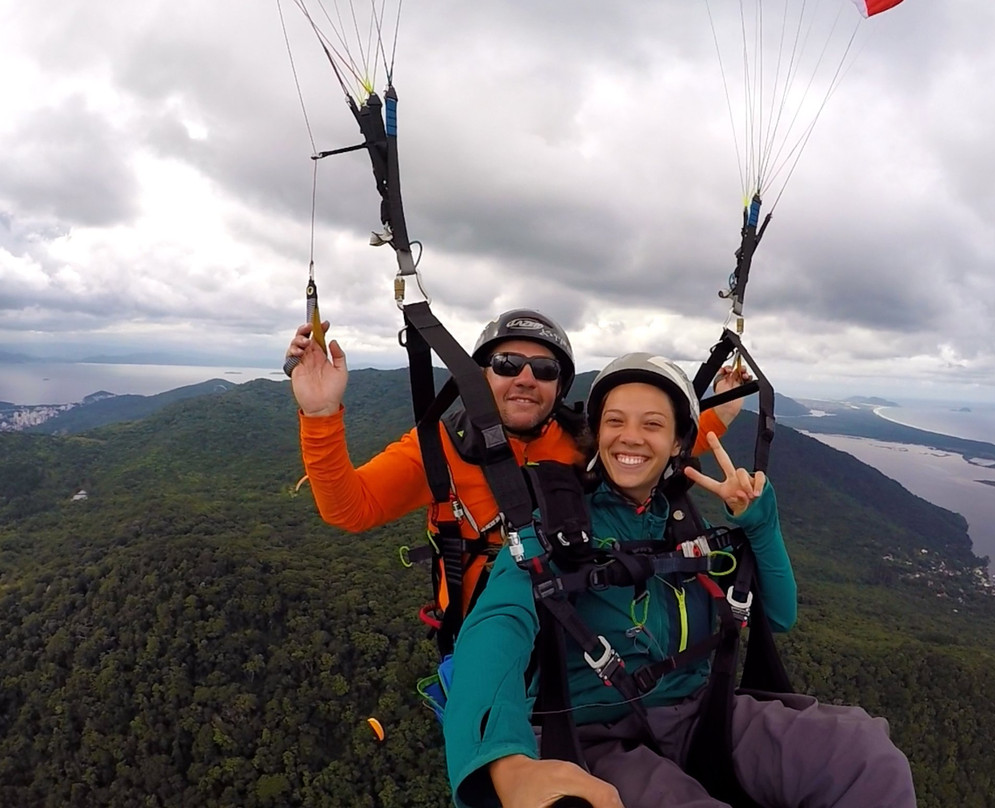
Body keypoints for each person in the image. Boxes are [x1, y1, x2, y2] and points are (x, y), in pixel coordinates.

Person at [442, 353, 917, 808]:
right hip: (597, 736)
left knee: (868, 758)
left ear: (676, 442)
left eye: (652, 424)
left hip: (701, 713)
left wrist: (759, 519)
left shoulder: (683, 524)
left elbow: (778, 615)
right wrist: (504, 762)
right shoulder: (552, 522)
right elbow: (497, 625)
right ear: (597, 433)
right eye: (615, 421)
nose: (630, 438)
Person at [285, 309, 748, 622]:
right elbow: (350, 509)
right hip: (487, 629)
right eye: (507, 364)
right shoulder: (443, 448)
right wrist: (322, 415)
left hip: (581, 629)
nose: (526, 379)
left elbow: (645, 450)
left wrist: (719, 415)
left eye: (544, 370)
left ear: (559, 386)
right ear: (481, 377)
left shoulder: (578, 441)